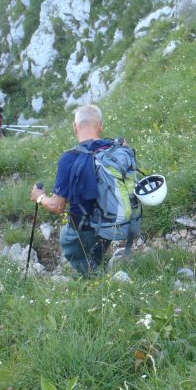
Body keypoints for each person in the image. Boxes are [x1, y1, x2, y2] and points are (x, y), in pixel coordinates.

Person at [30, 104, 117, 276]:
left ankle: (93, 281)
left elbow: (57, 206)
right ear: (101, 125)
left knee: (71, 246)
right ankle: (97, 263)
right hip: (113, 220)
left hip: (84, 227)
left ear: (74, 127)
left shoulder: (70, 158)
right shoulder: (117, 149)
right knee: (96, 249)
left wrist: (39, 197)